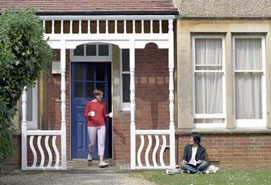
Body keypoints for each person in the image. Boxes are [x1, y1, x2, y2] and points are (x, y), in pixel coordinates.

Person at [84, 89, 112, 168]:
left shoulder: (103, 104)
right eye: (100, 95)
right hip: (91, 125)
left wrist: (109, 115)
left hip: (101, 125)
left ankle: (101, 161)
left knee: (101, 142)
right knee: (92, 143)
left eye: (102, 95)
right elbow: (85, 115)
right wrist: (89, 114)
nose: (101, 97)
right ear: (95, 95)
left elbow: (104, 115)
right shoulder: (89, 103)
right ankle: (90, 152)